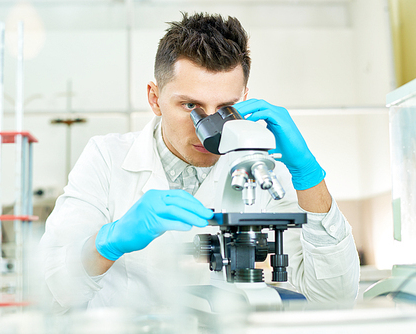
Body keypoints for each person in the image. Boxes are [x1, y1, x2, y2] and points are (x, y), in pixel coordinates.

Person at [39, 12, 360, 312]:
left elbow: (333, 298)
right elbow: (57, 291)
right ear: (155, 98)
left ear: (245, 100)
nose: (208, 128)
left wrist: (308, 174)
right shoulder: (106, 159)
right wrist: (109, 242)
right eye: (190, 105)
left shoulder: (259, 169)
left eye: (225, 108)